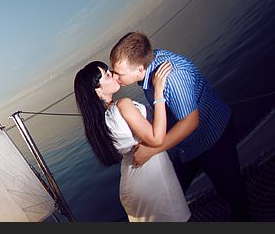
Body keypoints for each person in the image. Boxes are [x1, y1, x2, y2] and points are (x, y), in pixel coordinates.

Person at [109, 32, 249, 221]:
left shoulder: (172, 77)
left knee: (233, 194)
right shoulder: (147, 66)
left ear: (140, 70)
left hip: (213, 138)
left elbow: (191, 121)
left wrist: (151, 150)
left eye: (119, 73)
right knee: (172, 190)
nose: (115, 77)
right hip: (186, 145)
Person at [74, 60, 190, 221]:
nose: (113, 75)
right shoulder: (123, 105)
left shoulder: (101, 122)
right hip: (151, 178)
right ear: (98, 92)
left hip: (132, 182)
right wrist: (158, 92)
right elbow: (156, 139)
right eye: (107, 75)